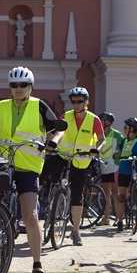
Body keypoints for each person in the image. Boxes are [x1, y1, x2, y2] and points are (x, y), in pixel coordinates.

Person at [0, 66, 65, 273]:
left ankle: (37, 265)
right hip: (3, 163)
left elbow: (59, 128)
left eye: (22, 85)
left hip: (28, 167)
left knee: (30, 215)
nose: (18, 89)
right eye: (14, 85)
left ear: (30, 86)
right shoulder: (0, 106)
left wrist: (53, 141)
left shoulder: (39, 105)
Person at [44, 87, 105, 246]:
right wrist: (52, 144)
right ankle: (50, 201)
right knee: (46, 174)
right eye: (73, 102)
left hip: (82, 160)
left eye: (80, 101)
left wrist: (96, 150)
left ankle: (75, 231)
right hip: (64, 155)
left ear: (86, 102)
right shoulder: (66, 116)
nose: (76, 105)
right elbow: (58, 132)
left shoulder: (94, 119)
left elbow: (101, 139)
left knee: (78, 195)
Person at [116, 117, 137, 232]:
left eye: (126, 127)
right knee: (121, 197)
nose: (124, 129)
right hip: (124, 169)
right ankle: (120, 221)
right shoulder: (124, 141)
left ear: (132, 129)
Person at [98, 112, 124, 226]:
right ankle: (106, 218)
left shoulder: (116, 134)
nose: (101, 122)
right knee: (105, 194)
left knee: (115, 193)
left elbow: (124, 147)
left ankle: (119, 219)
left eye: (102, 120)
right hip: (104, 166)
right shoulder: (98, 134)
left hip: (115, 167)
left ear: (108, 122)